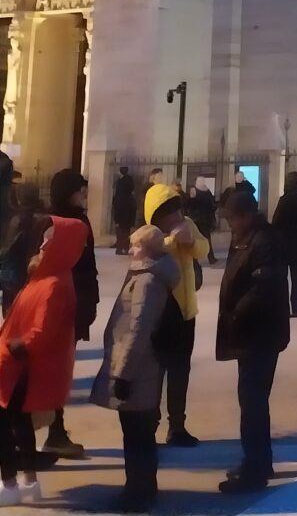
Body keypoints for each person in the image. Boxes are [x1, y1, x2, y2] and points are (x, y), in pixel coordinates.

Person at [92, 225, 180, 513]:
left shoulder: (147, 282)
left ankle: (138, 493)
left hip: (138, 370)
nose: (130, 251)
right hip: (141, 368)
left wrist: (124, 374)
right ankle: (142, 489)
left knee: (137, 435)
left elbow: (138, 330)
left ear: (148, 250)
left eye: (135, 247)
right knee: (138, 434)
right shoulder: (146, 276)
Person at [0, 216, 87, 507]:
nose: (43, 243)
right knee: (19, 423)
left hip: (20, 366)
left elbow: (43, 331)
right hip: (18, 364)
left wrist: (16, 347)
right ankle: (28, 480)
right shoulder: (44, 277)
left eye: (50, 239)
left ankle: (10, 483)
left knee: (5, 424)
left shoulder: (52, 284)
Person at [216, 191, 290, 494]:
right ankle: (259, 460)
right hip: (250, 332)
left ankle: (256, 468)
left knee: (253, 401)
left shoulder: (263, 240)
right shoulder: (247, 237)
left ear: (246, 215)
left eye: (233, 218)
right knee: (252, 400)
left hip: (260, 333)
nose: (231, 225)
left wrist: (237, 314)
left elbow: (263, 287)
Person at [143, 182, 209, 446]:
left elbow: (203, 249)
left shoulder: (188, 225)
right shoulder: (148, 234)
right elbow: (148, 255)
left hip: (184, 311)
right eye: (171, 212)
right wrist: (172, 241)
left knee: (181, 370)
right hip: (159, 312)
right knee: (155, 372)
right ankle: (150, 424)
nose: (178, 217)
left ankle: (177, 426)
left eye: (179, 211)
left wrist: (190, 239)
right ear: (158, 214)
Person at [45, 170, 99, 460]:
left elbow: (88, 267)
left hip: (75, 302)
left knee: (60, 370)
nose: (84, 195)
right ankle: (54, 431)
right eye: (80, 190)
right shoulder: (61, 222)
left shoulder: (77, 219)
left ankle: (54, 430)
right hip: (63, 303)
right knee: (56, 371)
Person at [0, 185, 45, 318]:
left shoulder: (18, 219)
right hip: (36, 267)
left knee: (13, 312)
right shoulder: (44, 216)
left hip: (17, 270)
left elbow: (9, 246)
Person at [271, 172, 297, 317]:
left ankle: (283, 309)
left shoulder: (284, 200)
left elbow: (276, 222)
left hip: (283, 243)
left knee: (282, 278)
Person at [187, 183, 218, 267]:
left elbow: (189, 206)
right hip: (202, 220)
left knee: (198, 238)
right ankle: (210, 258)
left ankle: (196, 259)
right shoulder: (206, 192)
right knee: (205, 239)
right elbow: (212, 205)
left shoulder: (198, 192)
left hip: (198, 219)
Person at [113, 167, 137, 257]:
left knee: (120, 231)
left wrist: (116, 219)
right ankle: (125, 248)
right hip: (128, 216)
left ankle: (119, 248)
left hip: (120, 214)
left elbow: (116, 207)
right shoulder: (131, 197)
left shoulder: (119, 195)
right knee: (126, 231)